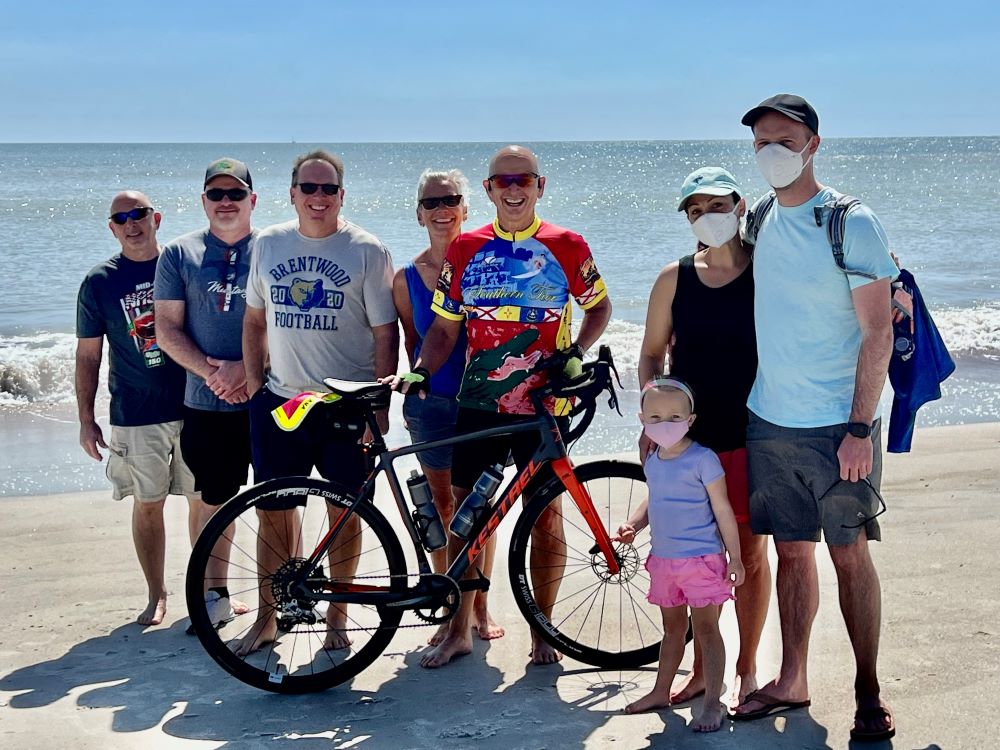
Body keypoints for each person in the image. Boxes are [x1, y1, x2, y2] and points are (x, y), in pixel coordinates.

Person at [392, 145, 612, 668]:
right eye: (502, 181)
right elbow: (445, 327)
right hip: (480, 403)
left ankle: (543, 629)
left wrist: (576, 354)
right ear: (488, 191)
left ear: (541, 186)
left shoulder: (567, 244)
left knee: (547, 520)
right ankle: (461, 629)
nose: (513, 189)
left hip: (543, 407)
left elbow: (599, 306)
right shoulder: (466, 248)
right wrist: (422, 368)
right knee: (467, 522)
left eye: (524, 180)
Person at [730, 94, 897, 743]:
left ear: (813, 144)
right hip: (769, 420)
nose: (772, 150)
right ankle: (792, 679)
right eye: (762, 141)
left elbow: (877, 330)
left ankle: (867, 690)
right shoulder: (758, 221)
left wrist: (859, 427)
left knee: (848, 554)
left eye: (785, 138)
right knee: (792, 555)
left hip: (838, 427)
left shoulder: (850, 221)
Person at [240, 149, 398, 656]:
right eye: (309, 188)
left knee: (345, 513)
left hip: (343, 406)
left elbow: (383, 331)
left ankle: (338, 612)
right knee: (275, 513)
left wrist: (379, 406)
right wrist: (252, 385)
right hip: (283, 402)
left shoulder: (366, 250)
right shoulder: (268, 243)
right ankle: (269, 615)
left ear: (341, 196)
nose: (318, 197)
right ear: (292, 194)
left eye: (328, 189)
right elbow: (254, 320)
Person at [637, 166, 771, 708]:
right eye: (695, 210)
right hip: (689, 441)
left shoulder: (768, 270)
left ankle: (746, 670)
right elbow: (650, 351)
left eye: (716, 206)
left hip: (756, 432)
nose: (707, 218)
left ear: (739, 205)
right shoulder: (674, 278)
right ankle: (700, 671)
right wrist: (651, 419)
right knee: (696, 555)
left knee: (751, 556)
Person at [392, 168, 503, 644]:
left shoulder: (488, 263)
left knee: (479, 507)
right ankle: (449, 599)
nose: (442, 210)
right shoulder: (404, 278)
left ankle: (479, 605)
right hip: (432, 404)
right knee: (441, 507)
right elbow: (415, 342)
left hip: (483, 404)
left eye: (450, 200)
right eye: (432, 203)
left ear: (465, 208)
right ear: (419, 214)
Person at [75, 190, 195, 626]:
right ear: (112, 227)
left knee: (206, 502)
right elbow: (88, 355)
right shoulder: (100, 282)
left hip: (194, 405)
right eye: (121, 217)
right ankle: (156, 593)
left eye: (139, 213)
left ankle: (209, 593)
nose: (132, 223)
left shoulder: (183, 265)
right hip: (135, 412)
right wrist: (86, 420)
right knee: (149, 503)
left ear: (156, 217)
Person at [154, 158, 257, 631]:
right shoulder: (179, 254)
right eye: (216, 194)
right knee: (213, 498)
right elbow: (166, 329)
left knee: (283, 498)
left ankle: (286, 595)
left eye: (235, 194)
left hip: (267, 396)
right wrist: (214, 374)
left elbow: (285, 325)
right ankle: (213, 593)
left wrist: (246, 369)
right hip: (206, 400)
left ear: (252, 200)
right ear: (203, 202)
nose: (226, 202)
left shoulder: (272, 249)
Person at [614, 378, 744, 732]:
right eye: (655, 417)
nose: (664, 424)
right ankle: (660, 690)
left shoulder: (703, 459)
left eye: (674, 417)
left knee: (706, 630)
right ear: (642, 419)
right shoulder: (654, 459)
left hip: (701, 561)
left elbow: (724, 510)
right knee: (672, 630)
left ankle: (713, 703)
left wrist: (735, 558)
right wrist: (634, 524)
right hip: (664, 561)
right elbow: (653, 499)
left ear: (690, 418)